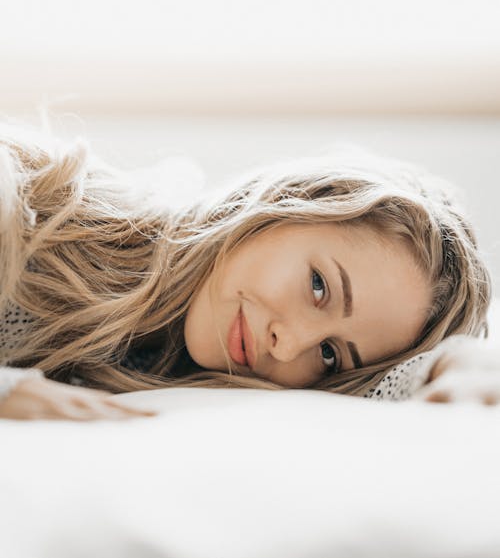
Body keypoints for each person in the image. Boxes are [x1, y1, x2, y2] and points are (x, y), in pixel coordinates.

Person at [0, 123, 495, 421]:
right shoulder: (43, 211)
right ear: (278, 209)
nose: (288, 343)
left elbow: (377, 388)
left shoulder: (177, 368)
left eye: (329, 354)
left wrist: (460, 363)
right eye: (319, 286)